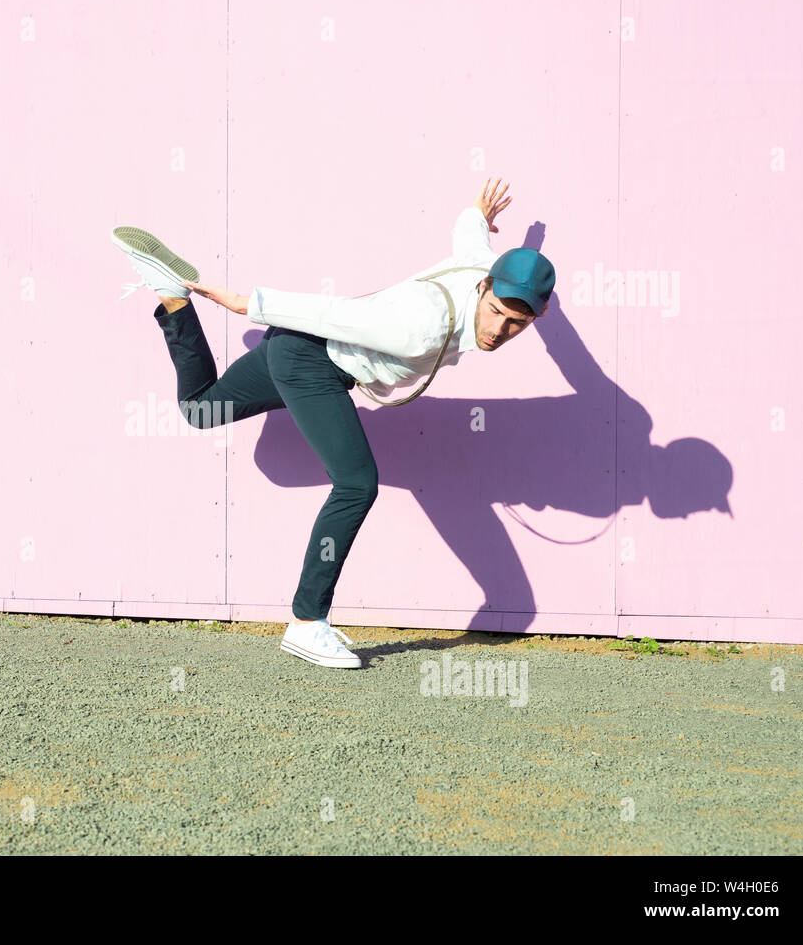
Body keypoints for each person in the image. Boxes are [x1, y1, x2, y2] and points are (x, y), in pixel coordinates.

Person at [112, 178, 556, 668]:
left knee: (199, 409)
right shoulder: (420, 325)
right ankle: (306, 623)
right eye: (495, 312)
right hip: (312, 359)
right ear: (483, 286)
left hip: (291, 348)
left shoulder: (480, 265)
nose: (498, 330)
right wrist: (246, 304)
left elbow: (470, 234)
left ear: (539, 314)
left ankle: (172, 297)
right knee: (357, 485)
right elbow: (333, 313)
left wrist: (477, 213)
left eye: (518, 324)